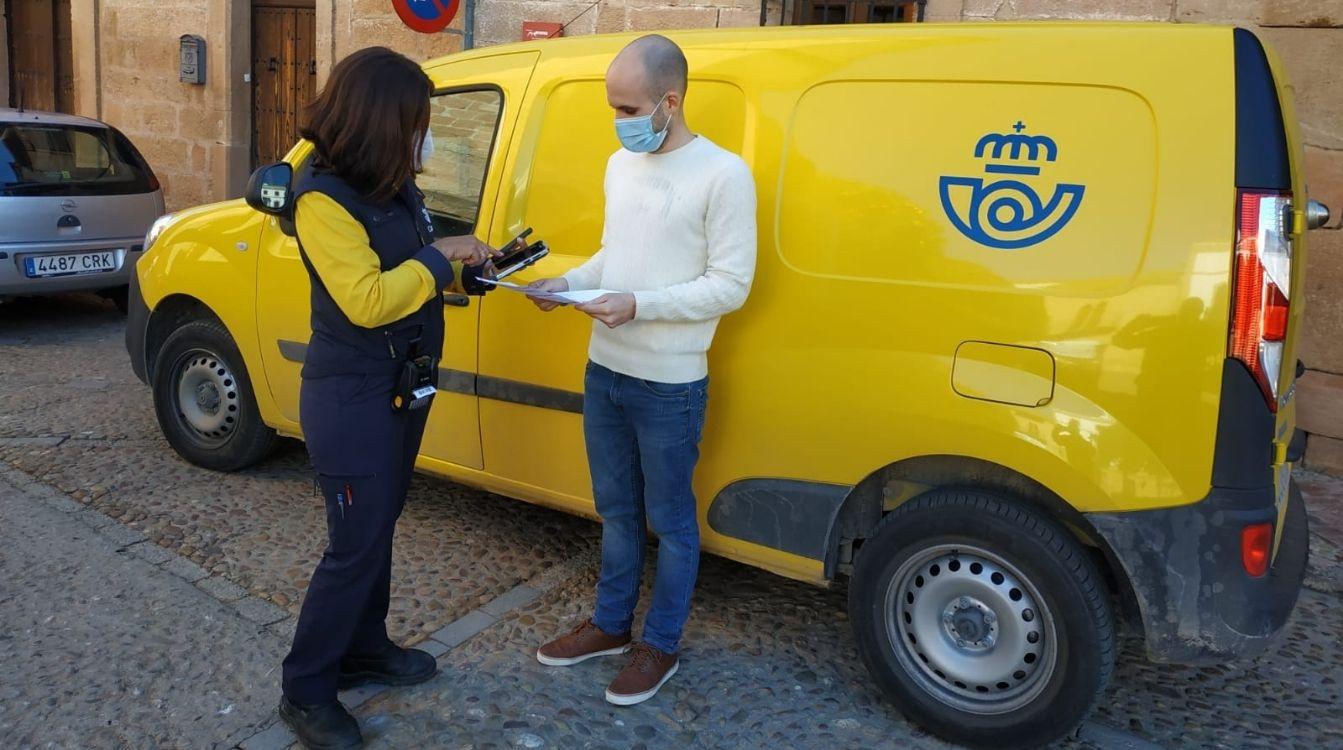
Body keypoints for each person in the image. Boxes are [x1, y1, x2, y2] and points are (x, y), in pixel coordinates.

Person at [278, 47, 498, 749]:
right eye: (415, 124)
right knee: (353, 545)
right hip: (352, 395)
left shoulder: (391, 184)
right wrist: (444, 258)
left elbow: (419, 266)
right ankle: (307, 689)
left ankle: (365, 646)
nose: (423, 138)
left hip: (402, 386)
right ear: (380, 122)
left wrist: (482, 271)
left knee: (377, 529)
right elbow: (369, 299)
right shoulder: (321, 198)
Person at [529, 34, 757, 706]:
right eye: (612, 108)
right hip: (606, 372)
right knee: (616, 513)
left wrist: (640, 306)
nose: (619, 121)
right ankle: (608, 628)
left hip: (670, 385)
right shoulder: (619, 165)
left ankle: (659, 644)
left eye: (627, 107)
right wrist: (565, 284)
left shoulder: (723, 174)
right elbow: (615, 254)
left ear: (670, 100)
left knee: (672, 522)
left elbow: (731, 284)